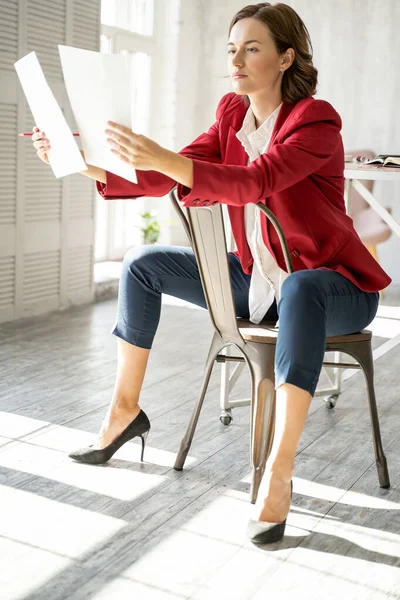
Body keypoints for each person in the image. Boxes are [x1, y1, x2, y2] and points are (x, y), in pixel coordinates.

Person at [32, 2, 391, 545]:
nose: (238, 61)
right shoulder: (230, 114)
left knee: (300, 287)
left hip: (331, 285)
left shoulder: (315, 121)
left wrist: (164, 156)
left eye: (252, 48)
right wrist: (85, 162)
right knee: (142, 264)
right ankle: (124, 412)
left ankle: (279, 470)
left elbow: (253, 181)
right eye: (232, 49)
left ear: (285, 57)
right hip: (257, 283)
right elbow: (167, 175)